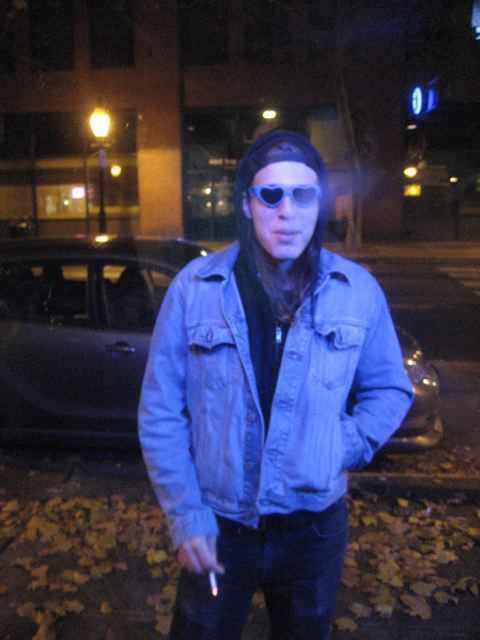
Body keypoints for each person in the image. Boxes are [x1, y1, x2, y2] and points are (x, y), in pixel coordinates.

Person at [138, 129, 413, 640]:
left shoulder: (357, 292)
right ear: (247, 204)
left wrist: (342, 443)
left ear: (319, 204)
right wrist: (186, 514)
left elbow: (390, 389)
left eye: (303, 194)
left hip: (314, 532)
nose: (287, 211)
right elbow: (160, 411)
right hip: (219, 526)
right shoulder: (195, 289)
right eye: (271, 195)